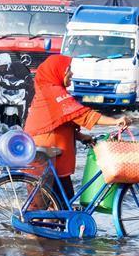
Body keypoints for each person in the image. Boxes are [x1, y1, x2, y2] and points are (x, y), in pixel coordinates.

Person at [24, 54, 130, 195]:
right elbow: (82, 115)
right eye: (68, 70)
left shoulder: (48, 91)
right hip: (48, 155)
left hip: (52, 155)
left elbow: (60, 122)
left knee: (61, 203)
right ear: (57, 71)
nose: (71, 74)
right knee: (53, 205)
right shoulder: (53, 92)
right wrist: (115, 121)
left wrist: (80, 136)